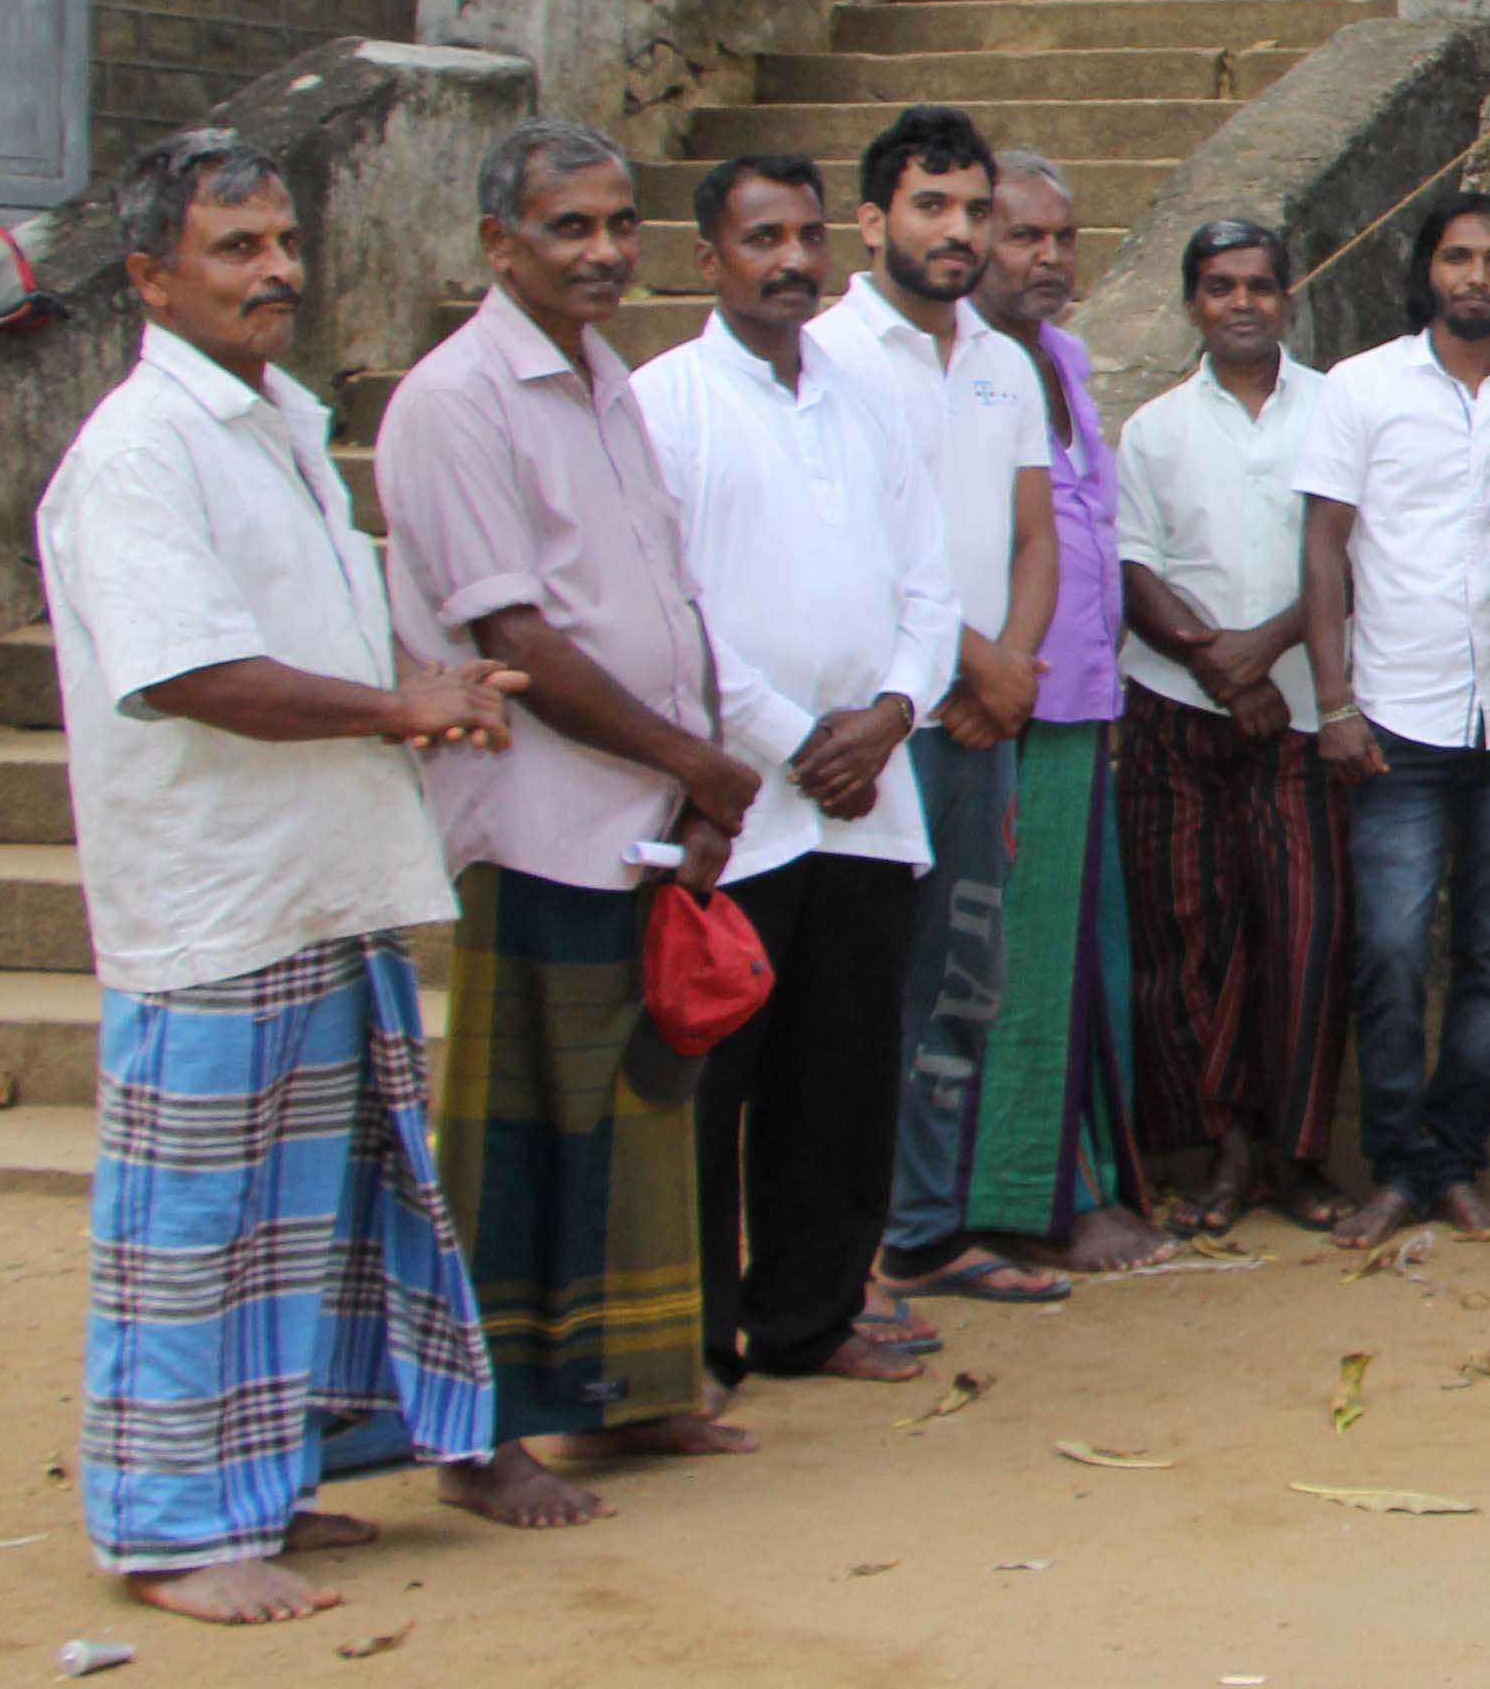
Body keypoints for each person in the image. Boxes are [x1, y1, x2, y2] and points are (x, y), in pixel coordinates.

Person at [45, 130, 516, 1623]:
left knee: (305, 1213)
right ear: (150, 277)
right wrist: (400, 708)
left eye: (285, 243)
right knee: (190, 1230)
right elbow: (188, 671)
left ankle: (267, 1479)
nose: (278, 272)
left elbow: (310, 633)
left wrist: (422, 687)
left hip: (320, 880)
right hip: (214, 900)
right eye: (238, 248)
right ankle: (170, 1527)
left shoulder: (281, 426)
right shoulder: (139, 450)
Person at [381, 118, 767, 1511]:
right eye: (570, 227)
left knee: (637, 1114)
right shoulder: (456, 399)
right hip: (538, 817)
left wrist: (699, 773)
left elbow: (667, 590)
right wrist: (697, 763)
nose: (603, 251)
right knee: (523, 1134)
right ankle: (481, 1434)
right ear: (501, 244)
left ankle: (634, 1395)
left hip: (646, 815)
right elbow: (517, 643)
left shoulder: (606, 378)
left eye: (617, 223)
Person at [635, 155, 956, 1397]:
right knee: (717, 1074)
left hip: (869, 793)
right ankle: (697, 1338)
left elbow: (929, 581)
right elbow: (670, 605)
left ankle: (809, 1316)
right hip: (744, 796)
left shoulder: (864, 396)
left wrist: (891, 715)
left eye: (808, 235)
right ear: (707, 257)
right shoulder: (667, 402)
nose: (792, 259)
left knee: (842, 1068)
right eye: (762, 237)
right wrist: (795, 739)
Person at [806, 105, 1062, 1313]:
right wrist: (967, 670)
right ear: (872, 220)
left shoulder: (1006, 362)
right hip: (872, 731)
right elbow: (851, 544)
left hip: (977, 729)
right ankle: (833, 1255)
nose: (957, 231)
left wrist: (1010, 670)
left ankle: (923, 1231)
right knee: (850, 995)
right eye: (931, 206)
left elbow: (1034, 534)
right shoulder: (827, 357)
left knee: (960, 982)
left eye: (973, 210)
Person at [917, 146, 1160, 1270]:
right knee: (1001, 965)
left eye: (1063, 236)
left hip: (1074, 703)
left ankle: (1081, 1177)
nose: (1048, 257)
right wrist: (983, 671)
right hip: (987, 705)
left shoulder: (1059, 358)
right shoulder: (941, 367)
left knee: (1077, 957)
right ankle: (1016, 1196)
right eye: (1023, 235)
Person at [1299, 193, 1490, 1245]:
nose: (1477, 276)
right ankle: (1397, 1166)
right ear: (1427, 270)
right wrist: (1334, 701)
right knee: (1394, 950)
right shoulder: (1361, 386)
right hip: (1396, 715)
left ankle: (1454, 1162)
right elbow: (1323, 550)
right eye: (1457, 256)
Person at [1113, 219, 1345, 1237]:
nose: (1241, 302)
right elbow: (1132, 566)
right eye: (1219, 286)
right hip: (1177, 713)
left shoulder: (1338, 409)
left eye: (1258, 284)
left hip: (1304, 712)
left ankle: (1298, 1155)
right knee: (1186, 938)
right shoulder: (1153, 428)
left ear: (1289, 297)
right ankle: (1222, 1149)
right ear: (1192, 304)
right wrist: (1219, 665)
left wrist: (1267, 652)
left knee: (1305, 931)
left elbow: (1359, 554)